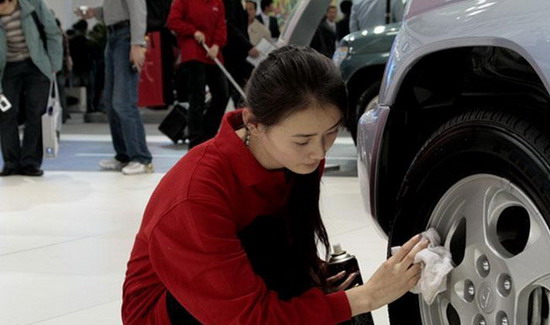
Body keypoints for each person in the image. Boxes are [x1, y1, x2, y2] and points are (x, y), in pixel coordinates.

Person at [122, 45, 427, 324]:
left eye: (331, 133)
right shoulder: (196, 196)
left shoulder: (297, 159)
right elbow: (248, 319)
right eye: (303, 139)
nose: (319, 152)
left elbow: (287, 244)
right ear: (254, 123)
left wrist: (318, 274)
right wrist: (367, 297)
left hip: (238, 290)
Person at [76, 0, 153, 175]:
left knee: (124, 101)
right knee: (111, 102)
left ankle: (141, 157)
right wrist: (95, 12)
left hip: (126, 38)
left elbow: (138, 9)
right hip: (113, 38)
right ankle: (124, 154)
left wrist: (138, 43)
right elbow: (119, 10)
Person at [0, 0, 62, 177]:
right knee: (5, 112)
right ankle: (11, 163)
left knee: (36, 112)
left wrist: (54, 65)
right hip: (6, 70)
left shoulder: (33, 4)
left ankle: (30, 162)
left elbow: (52, 32)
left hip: (36, 65)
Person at [167, 0, 229, 148]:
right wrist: (193, 31)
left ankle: (208, 135)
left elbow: (221, 26)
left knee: (222, 94)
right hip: (193, 52)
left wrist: (216, 45)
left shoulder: (218, 2)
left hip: (212, 54)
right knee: (197, 96)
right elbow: (173, 21)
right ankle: (195, 140)